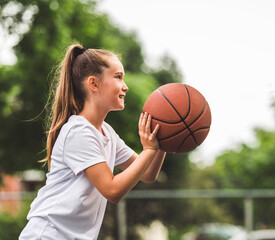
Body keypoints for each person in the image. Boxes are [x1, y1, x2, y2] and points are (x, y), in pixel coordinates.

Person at [19, 44, 166, 239]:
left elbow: (147, 173)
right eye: (118, 77)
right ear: (94, 84)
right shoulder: (79, 131)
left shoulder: (107, 133)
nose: (125, 86)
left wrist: (164, 141)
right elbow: (112, 190)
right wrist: (148, 150)